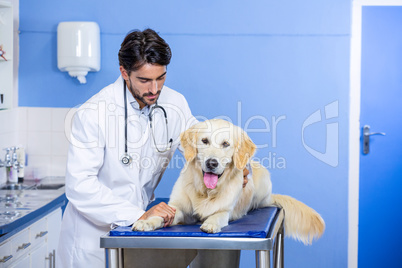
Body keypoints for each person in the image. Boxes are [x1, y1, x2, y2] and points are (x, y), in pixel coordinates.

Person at [57, 28, 248, 267]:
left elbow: (198, 145)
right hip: (92, 239)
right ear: (124, 73)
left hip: (138, 232)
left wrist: (233, 165)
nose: (155, 89)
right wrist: (137, 214)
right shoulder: (93, 114)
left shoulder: (174, 103)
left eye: (161, 78)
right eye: (145, 80)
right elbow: (80, 186)